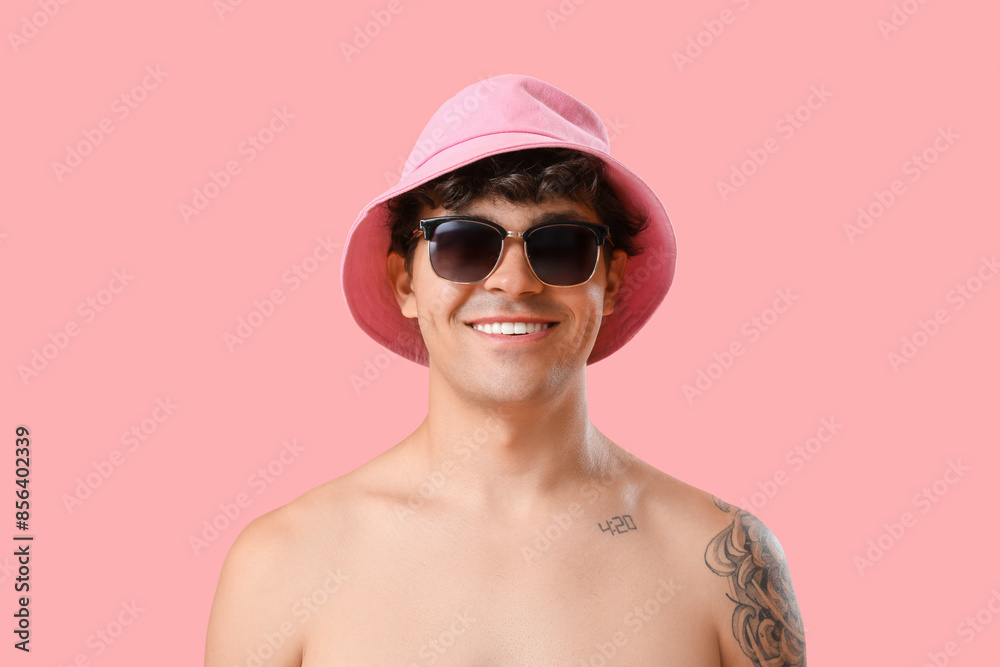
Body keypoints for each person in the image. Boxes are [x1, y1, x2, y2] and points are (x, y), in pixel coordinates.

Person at [205, 74, 806, 667]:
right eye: (464, 244)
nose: (514, 282)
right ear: (403, 280)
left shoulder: (723, 563)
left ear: (612, 280)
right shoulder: (282, 565)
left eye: (562, 245)